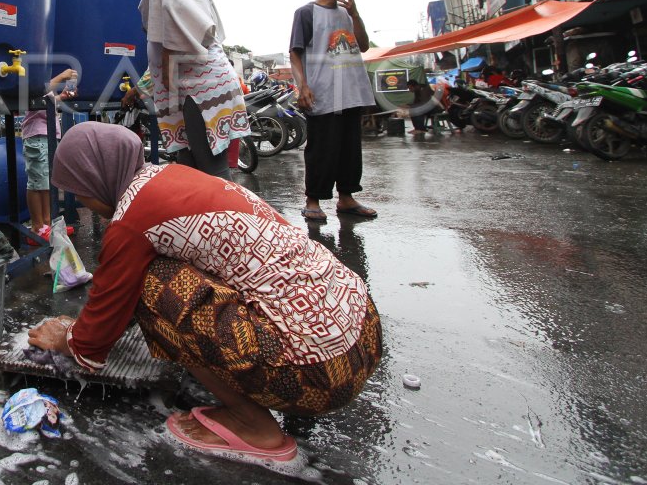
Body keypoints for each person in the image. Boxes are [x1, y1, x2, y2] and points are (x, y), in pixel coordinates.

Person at [28, 123, 381, 474]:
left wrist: (67, 338)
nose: (81, 201)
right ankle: (241, 386)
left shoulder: (131, 219)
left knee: (154, 285)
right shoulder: (168, 177)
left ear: (95, 177)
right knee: (166, 272)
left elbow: (93, 341)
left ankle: (253, 426)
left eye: (78, 191)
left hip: (315, 375)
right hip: (360, 333)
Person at [137, 0, 250, 179]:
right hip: (206, 80)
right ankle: (204, 223)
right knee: (193, 172)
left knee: (212, 176)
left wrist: (169, 56)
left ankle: (226, 223)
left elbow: (176, 4)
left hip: (197, 88)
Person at [288, 0, 378, 222]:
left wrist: (356, 13)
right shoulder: (306, 13)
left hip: (351, 91)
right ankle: (313, 200)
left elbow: (362, 46)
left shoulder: (347, 13)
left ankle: (346, 198)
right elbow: (295, 53)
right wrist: (302, 86)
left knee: (350, 149)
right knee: (322, 149)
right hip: (322, 92)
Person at [22, 68, 77, 243]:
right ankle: (37, 226)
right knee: (37, 182)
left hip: (48, 135)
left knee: (45, 181)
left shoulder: (45, 82)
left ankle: (47, 223)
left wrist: (62, 97)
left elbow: (48, 100)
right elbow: (40, 92)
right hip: (37, 136)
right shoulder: (34, 82)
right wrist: (62, 76)